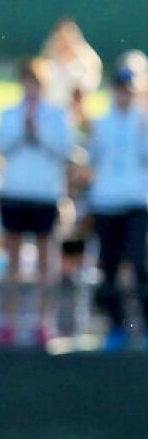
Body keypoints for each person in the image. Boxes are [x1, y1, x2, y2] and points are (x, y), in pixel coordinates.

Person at [0, 57, 75, 346]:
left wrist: (38, 130)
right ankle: (9, 322)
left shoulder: (56, 116)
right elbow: (0, 145)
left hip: (44, 195)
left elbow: (65, 149)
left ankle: (44, 322)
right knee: (12, 261)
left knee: (46, 262)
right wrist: (23, 128)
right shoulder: (9, 114)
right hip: (15, 193)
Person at [87, 68, 148, 350]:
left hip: (136, 203)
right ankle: (115, 326)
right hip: (108, 203)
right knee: (109, 265)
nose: (125, 94)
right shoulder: (102, 123)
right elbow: (94, 160)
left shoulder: (143, 122)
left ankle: (144, 327)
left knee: (139, 264)